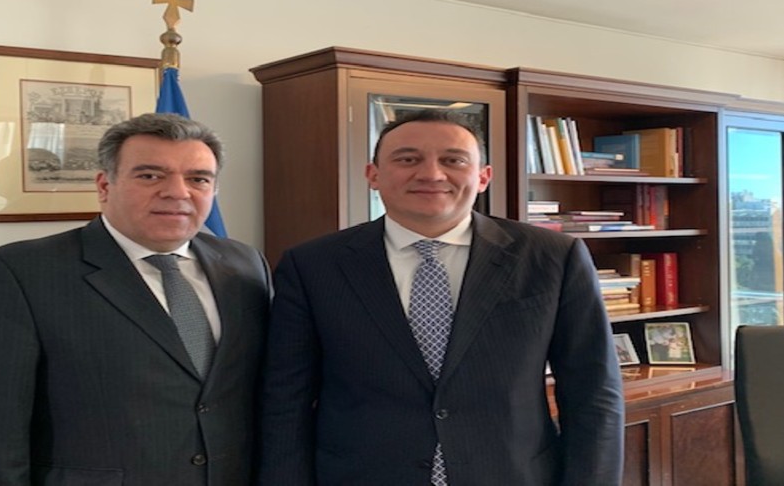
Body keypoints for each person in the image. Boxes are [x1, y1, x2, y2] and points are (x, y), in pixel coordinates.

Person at [259, 110, 625, 485]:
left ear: (483, 177)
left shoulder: (553, 257)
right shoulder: (313, 266)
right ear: (373, 175)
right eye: (408, 159)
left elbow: (593, 393)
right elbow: (285, 401)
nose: (431, 174)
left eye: (453, 160)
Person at [0, 113, 271, 486]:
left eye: (198, 179)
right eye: (150, 176)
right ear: (104, 185)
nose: (178, 192)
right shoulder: (18, 273)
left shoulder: (245, 265)